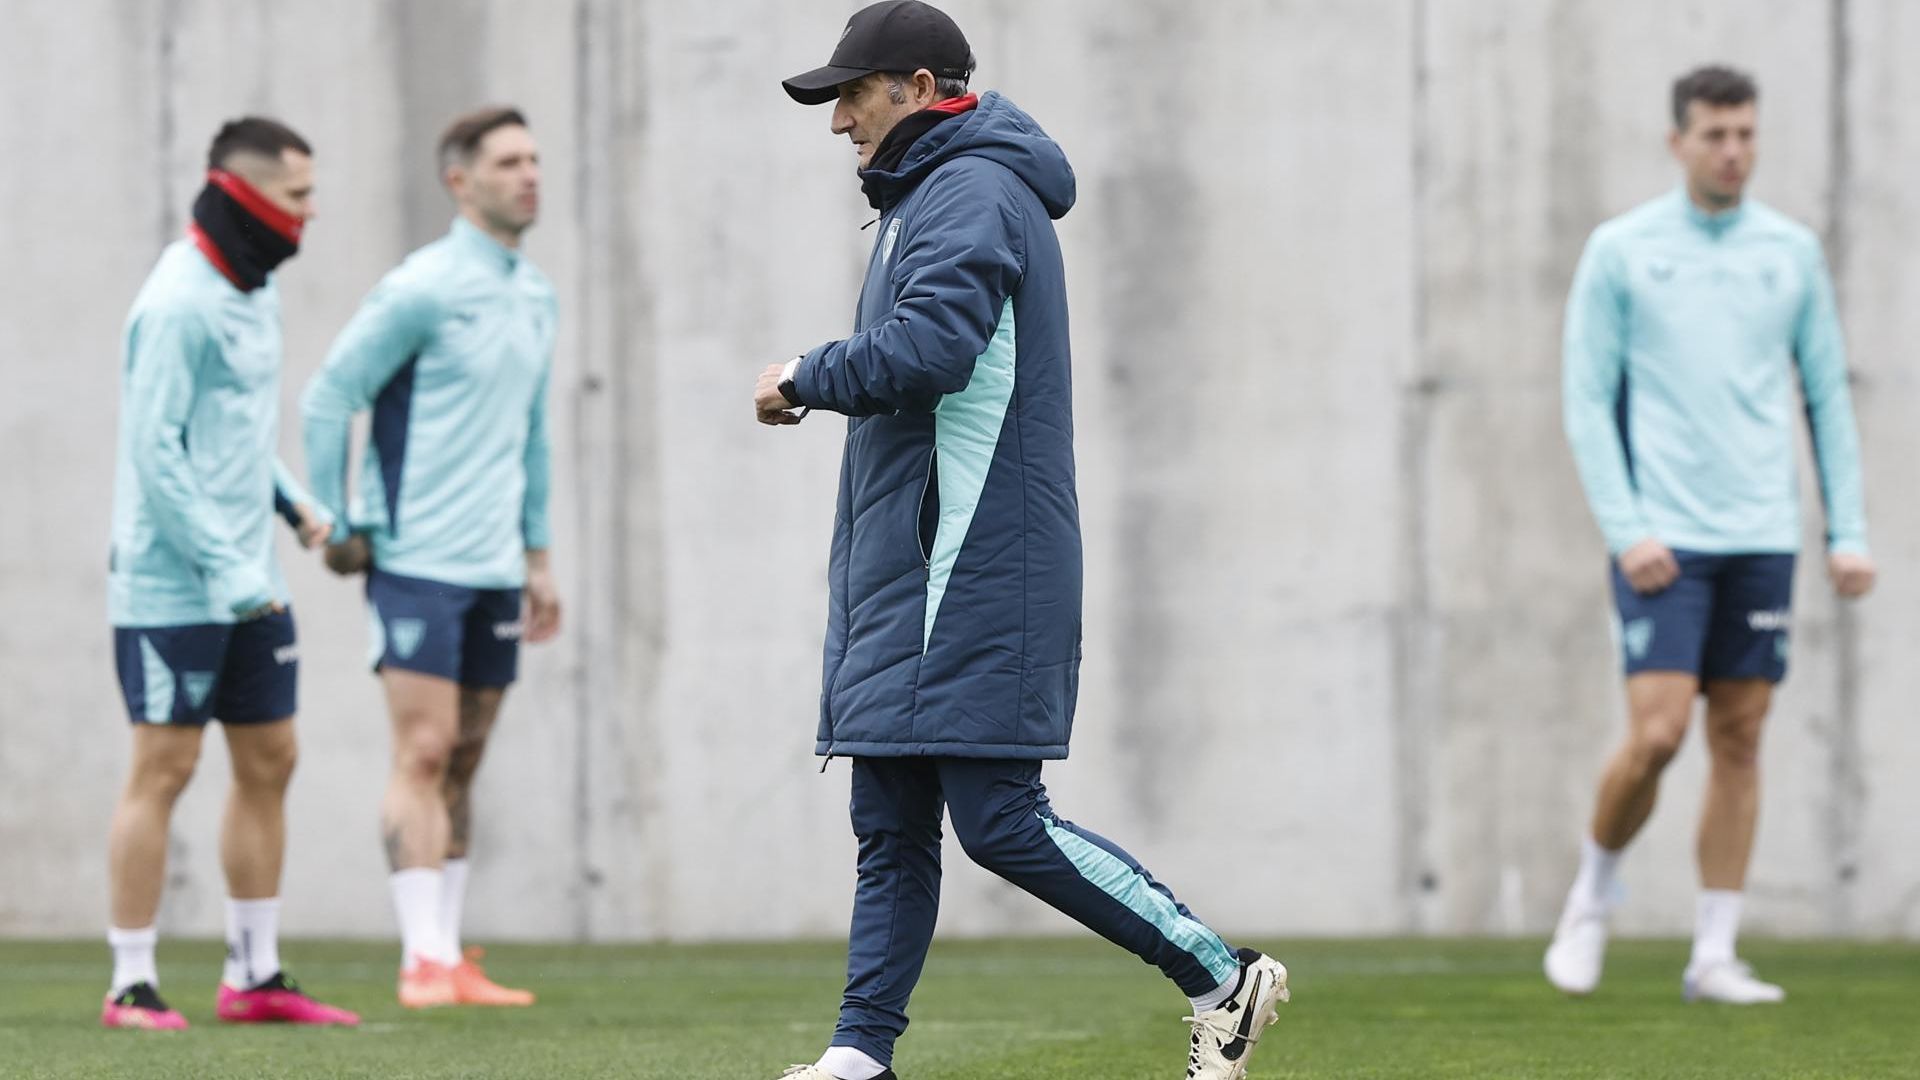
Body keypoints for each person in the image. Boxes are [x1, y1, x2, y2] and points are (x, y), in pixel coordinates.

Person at [755, 4, 1288, 1077]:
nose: (839, 122)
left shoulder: (971, 189)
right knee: (889, 824)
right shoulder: (932, 194)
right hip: (918, 568)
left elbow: (929, 350)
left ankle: (1219, 976)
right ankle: (859, 1056)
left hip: (974, 567)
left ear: (915, 87)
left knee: (1000, 821)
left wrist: (804, 376)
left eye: (850, 96)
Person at [1550, 65, 1875, 1005]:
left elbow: (1825, 396)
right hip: (1663, 540)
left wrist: (1847, 531)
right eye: (1716, 135)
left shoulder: (1791, 252)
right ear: (1678, 142)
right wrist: (1626, 529)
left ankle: (1714, 954)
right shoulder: (1622, 250)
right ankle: (1592, 895)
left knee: (1740, 737)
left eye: (1746, 134)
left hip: (1762, 536)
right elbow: (1585, 400)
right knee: (1657, 735)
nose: (1734, 151)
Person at [300, 105, 560, 1009]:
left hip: (495, 566)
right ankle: (421, 960)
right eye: (508, 161)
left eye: (533, 159)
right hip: (415, 559)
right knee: (423, 748)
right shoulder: (420, 288)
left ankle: (447, 954)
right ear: (460, 180)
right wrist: (334, 520)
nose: (529, 175)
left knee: (466, 756)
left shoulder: (536, 295)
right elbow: (328, 397)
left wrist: (538, 559)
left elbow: (532, 434)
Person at [103, 117, 359, 1030]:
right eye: (297, 195)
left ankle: (253, 976)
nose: (311, 211)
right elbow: (156, 453)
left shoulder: (254, 291)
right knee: (164, 767)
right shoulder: (177, 303)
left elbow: (236, 439)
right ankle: (131, 984)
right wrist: (226, 568)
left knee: (271, 758)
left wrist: (293, 504)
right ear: (245, 196)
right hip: (171, 585)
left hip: (250, 578)